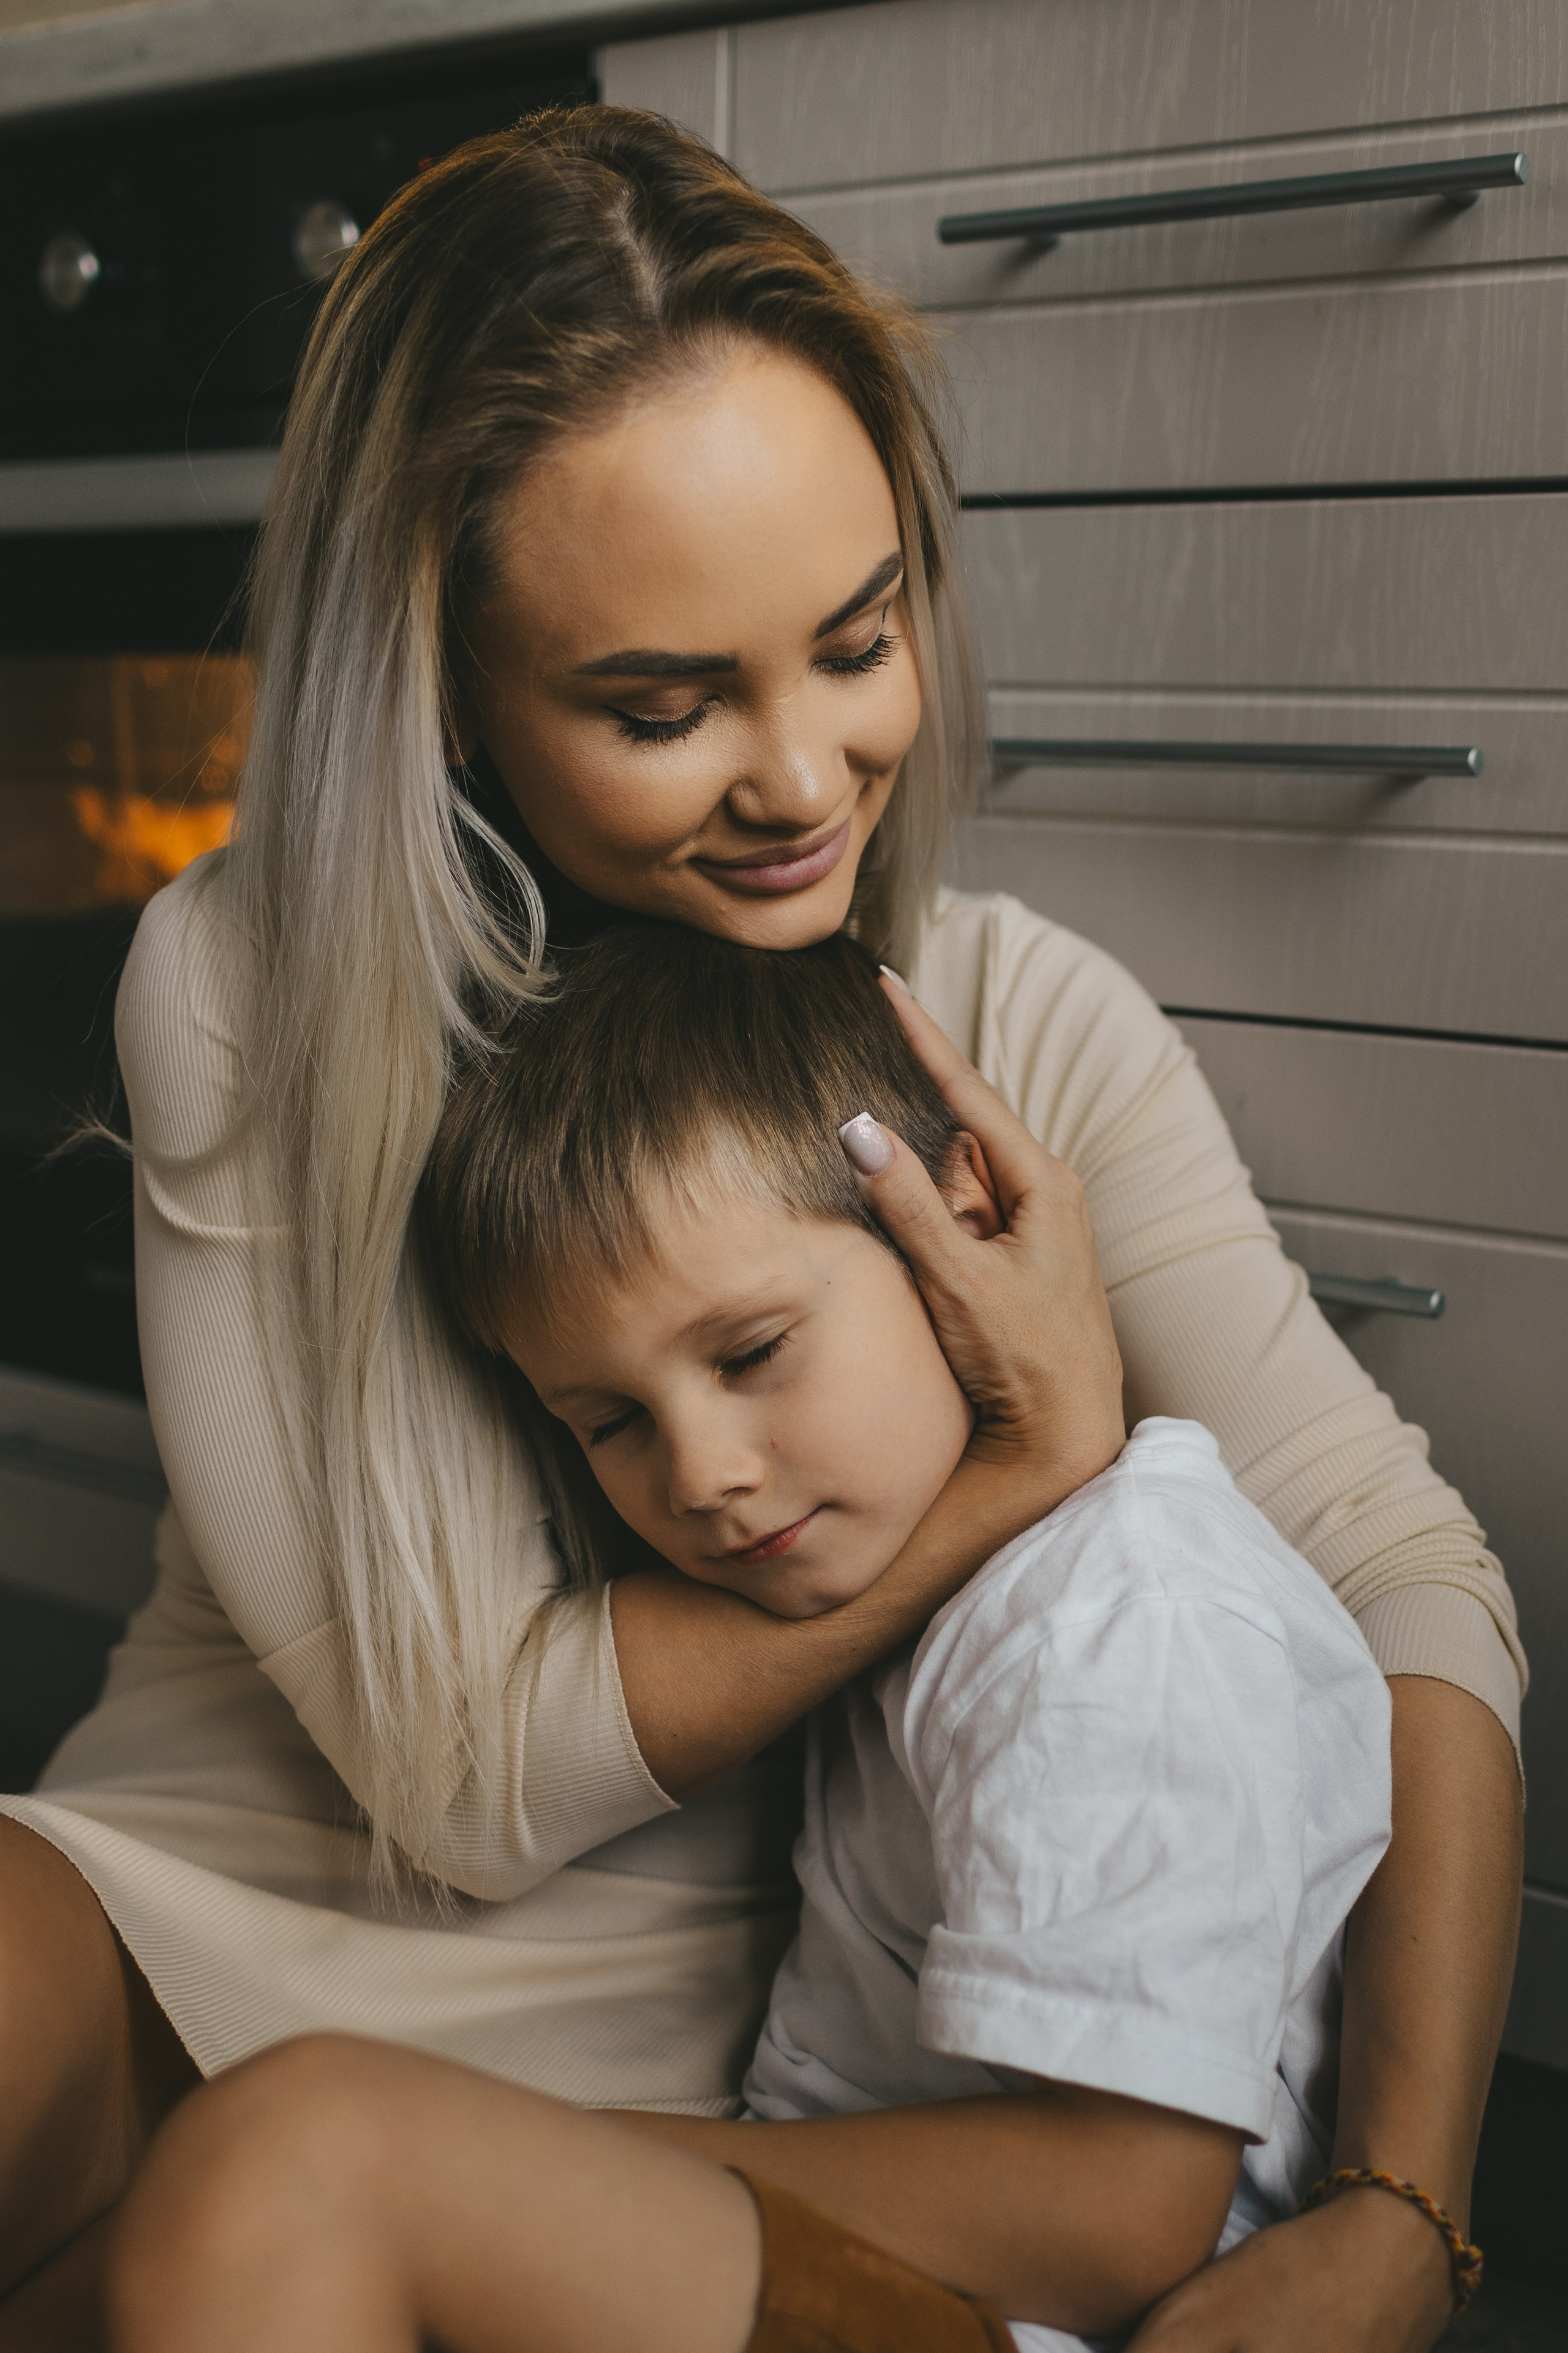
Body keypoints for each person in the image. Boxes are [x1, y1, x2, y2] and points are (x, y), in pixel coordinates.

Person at [0, 105, 1521, 2353]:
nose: (804, 778)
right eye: (661, 702)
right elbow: (462, 1774)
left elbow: (1409, 1581)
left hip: (660, 2068)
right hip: (199, 1869)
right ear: (448, 695)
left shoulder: (1012, 1029)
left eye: (854, 639)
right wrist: (1018, 1461)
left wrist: (1404, 2199)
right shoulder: (254, 981)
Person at [105, 920, 1398, 2353]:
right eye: (610, 1422)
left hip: (1013, 2317)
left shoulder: (1109, 1619)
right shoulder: (918, 1594)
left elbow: (1118, 2217)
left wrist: (561, 2161)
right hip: (841, 2246)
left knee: (305, 2152)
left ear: (958, 1220)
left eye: (750, 1353)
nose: (701, 1474)